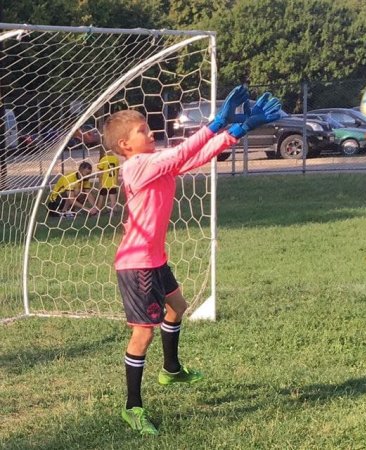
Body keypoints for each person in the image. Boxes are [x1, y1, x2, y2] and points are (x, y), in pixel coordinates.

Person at [102, 85, 281, 436]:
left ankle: (171, 369)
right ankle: (132, 407)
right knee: (143, 334)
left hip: (154, 259)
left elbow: (195, 157)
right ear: (125, 145)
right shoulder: (136, 167)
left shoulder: (155, 164)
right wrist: (215, 123)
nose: (150, 133)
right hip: (136, 264)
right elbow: (183, 151)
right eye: (142, 131)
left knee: (178, 307)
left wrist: (239, 130)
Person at [96, 149, 120, 213]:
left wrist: (100, 182)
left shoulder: (103, 159)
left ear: (105, 152)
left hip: (105, 182)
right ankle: (112, 212)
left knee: (101, 197)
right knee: (112, 197)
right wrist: (116, 180)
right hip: (112, 182)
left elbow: (100, 173)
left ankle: (97, 211)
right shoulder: (116, 159)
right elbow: (117, 171)